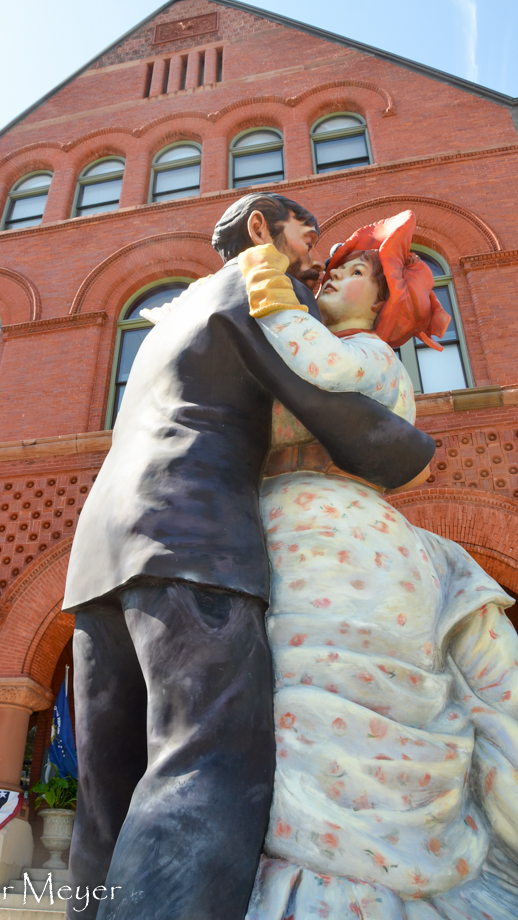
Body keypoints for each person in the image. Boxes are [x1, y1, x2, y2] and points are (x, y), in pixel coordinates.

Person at [62, 193, 435, 920]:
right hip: (190, 541)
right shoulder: (259, 285)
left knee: (108, 792)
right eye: (311, 236)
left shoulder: (175, 310)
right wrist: (407, 450)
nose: (316, 258)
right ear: (263, 231)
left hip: (100, 553)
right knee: (206, 766)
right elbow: (317, 392)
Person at [235, 211, 518, 919]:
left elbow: (316, 367)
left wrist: (267, 281)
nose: (335, 274)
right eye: (334, 266)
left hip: (336, 540)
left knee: (332, 705)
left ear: (381, 305)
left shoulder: (367, 354)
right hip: (287, 528)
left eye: (358, 271)